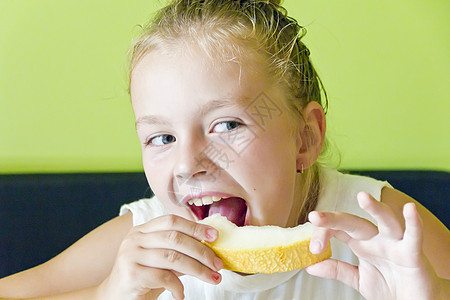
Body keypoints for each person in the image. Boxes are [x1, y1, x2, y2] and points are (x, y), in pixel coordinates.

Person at [0, 0, 448, 299]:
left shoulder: (380, 226)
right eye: (162, 138)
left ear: (305, 138)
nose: (187, 163)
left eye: (227, 125)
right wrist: (106, 293)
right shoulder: (144, 237)